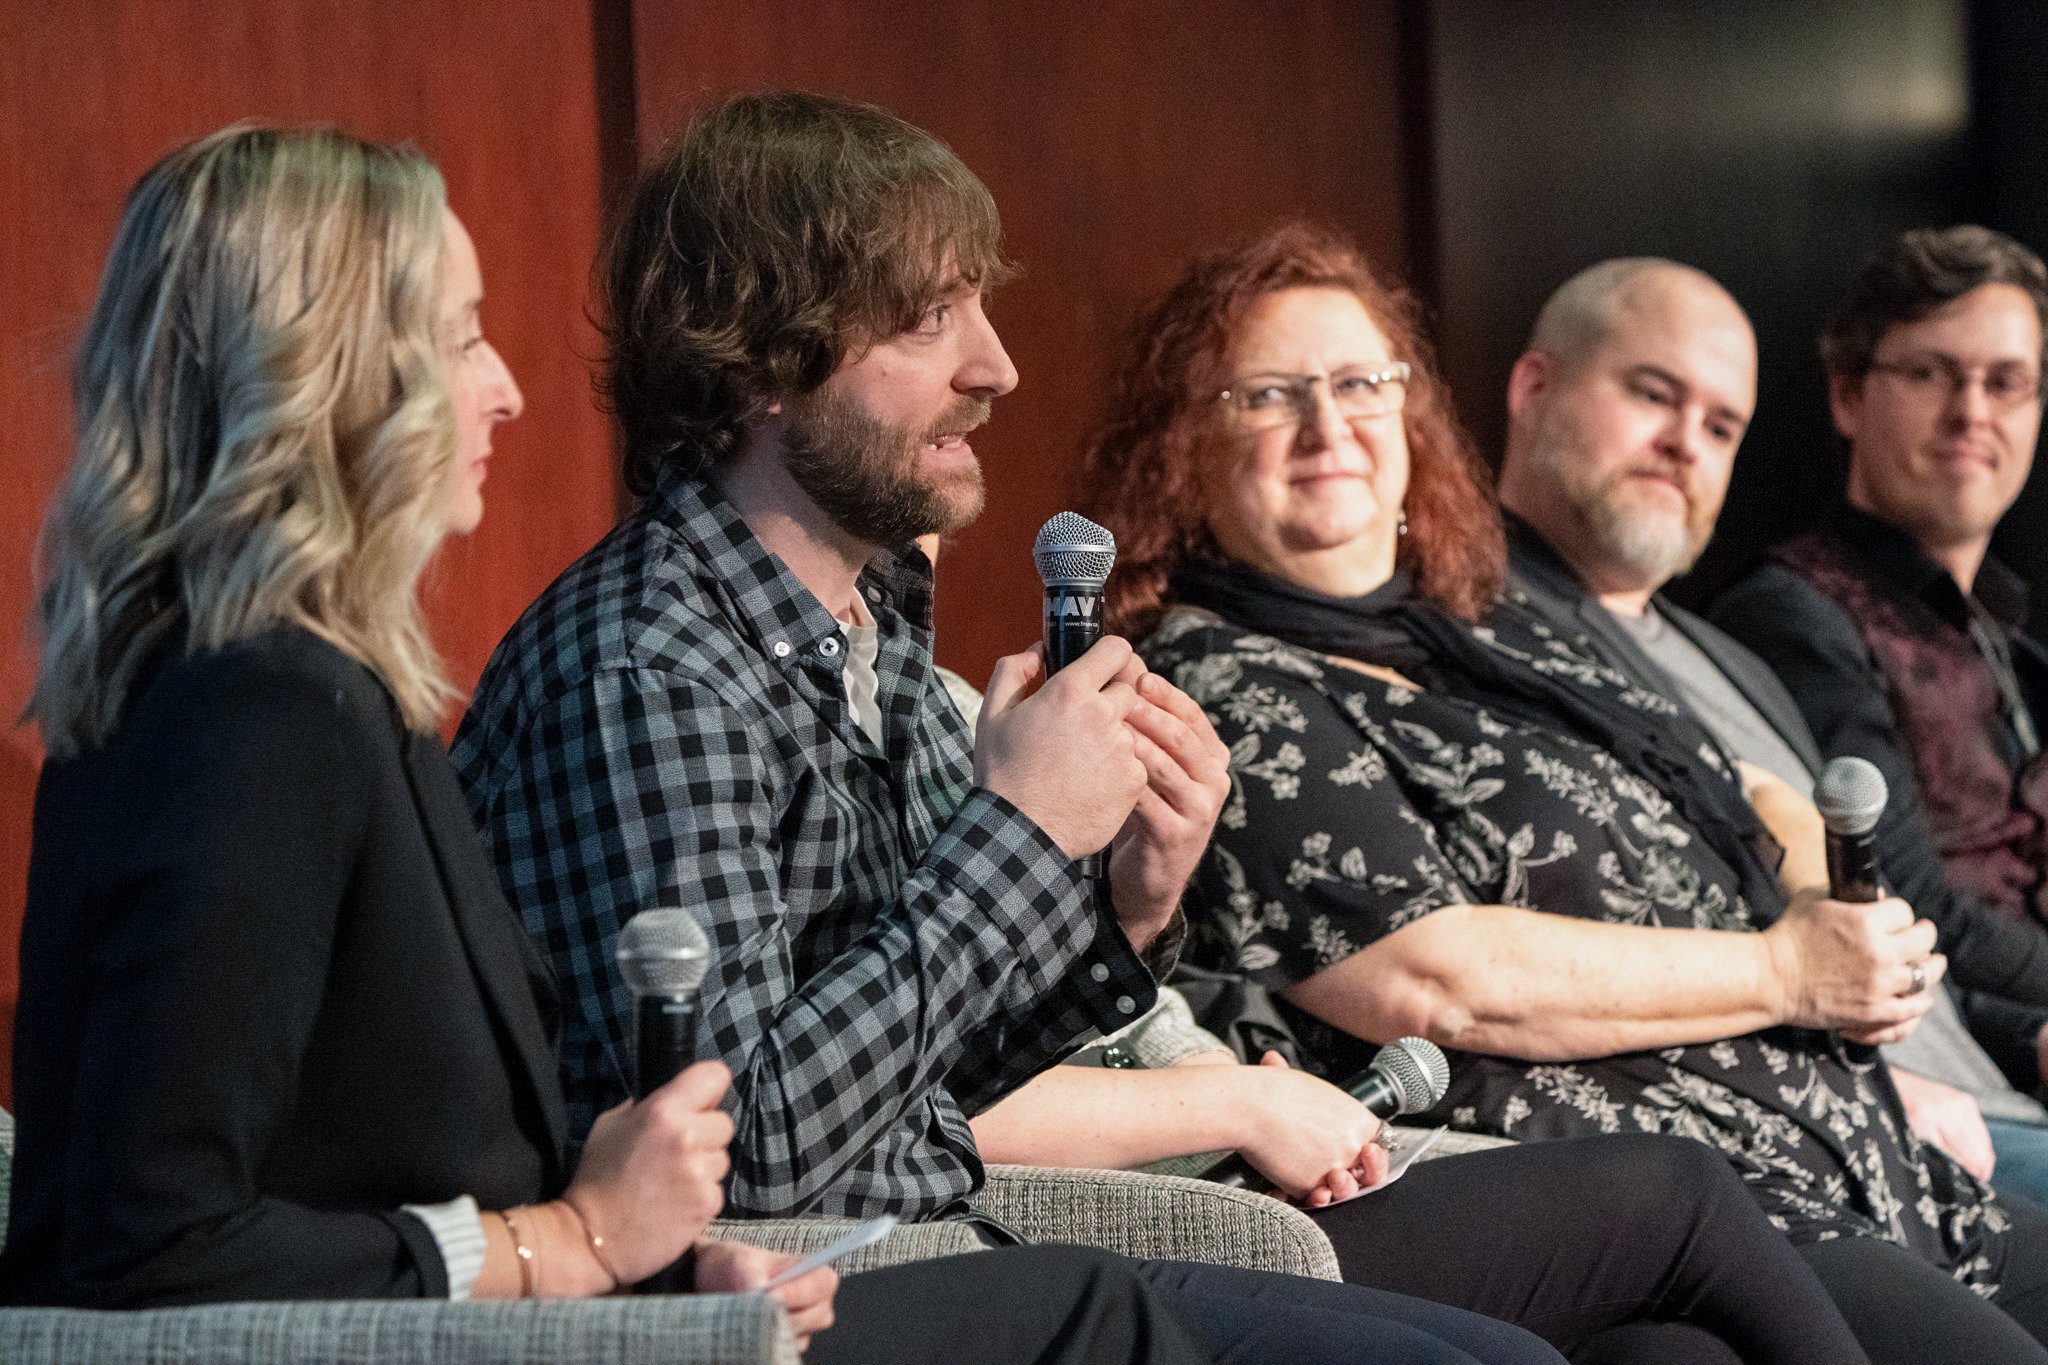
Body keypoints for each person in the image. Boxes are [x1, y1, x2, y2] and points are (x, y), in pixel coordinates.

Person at [0, 123, 1234, 1365]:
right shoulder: (253, 715)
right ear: (321, 374)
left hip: (579, 1314)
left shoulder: (319, 694)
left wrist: (648, 1266)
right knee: (1100, 1320)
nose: (507, 386)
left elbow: (443, 1158)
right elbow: (146, 1246)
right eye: (461, 336)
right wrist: (575, 1244)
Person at [457, 90, 1588, 1364]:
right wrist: (1015, 829)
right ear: (762, 360)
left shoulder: (859, 617)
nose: (995, 368)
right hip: (775, 1293)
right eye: (928, 318)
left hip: (926, 1231)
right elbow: (749, 1152)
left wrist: (1125, 901)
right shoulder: (650, 665)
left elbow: (934, 1074)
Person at [1078, 219, 2048, 1362]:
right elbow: (1433, 980)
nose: (1327, 427)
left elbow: (1725, 780)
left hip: (1846, 1146)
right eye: (1268, 396)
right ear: (1185, 442)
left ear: (1408, 413)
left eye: (1357, 383)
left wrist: (1808, 874)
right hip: (1661, 1183)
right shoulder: (1215, 675)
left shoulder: (1490, 624)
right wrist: (1789, 970)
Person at [1495, 256, 2048, 1204]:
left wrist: (2014, 1030)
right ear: (1533, 387)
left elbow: (1867, 920)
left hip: (1952, 1081)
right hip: (1826, 1119)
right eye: (1652, 394)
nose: (1684, 443)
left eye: (1720, 425)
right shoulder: (1487, 632)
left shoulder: (1720, 653)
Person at [1714, 228, 2048, 935]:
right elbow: (1904, 908)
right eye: (1931, 372)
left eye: (2007, 382)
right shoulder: (1794, 614)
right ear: (1847, 395)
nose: (1973, 411)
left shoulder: (2000, 628)